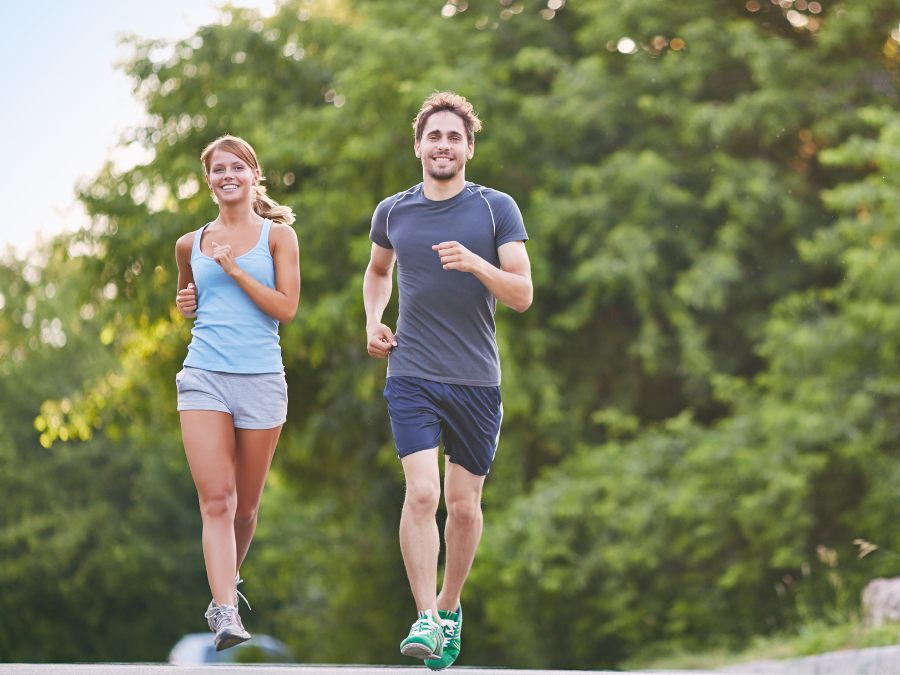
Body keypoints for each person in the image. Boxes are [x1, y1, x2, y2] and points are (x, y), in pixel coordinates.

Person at [363, 92, 533, 669]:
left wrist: (477, 263)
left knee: (463, 507)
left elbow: (522, 294)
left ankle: (450, 605)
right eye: (433, 136)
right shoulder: (393, 211)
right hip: (411, 372)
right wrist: (373, 319)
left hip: (477, 381)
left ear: (468, 147)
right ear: (418, 146)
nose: (443, 145)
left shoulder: (495, 210)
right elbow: (378, 271)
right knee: (423, 494)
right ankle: (426, 618)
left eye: (453, 137)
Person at [174, 135, 300, 651]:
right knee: (218, 501)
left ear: (254, 174)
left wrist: (233, 269)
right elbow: (187, 296)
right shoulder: (190, 243)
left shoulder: (279, 238)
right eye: (218, 169)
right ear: (209, 181)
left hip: (262, 380)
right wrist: (186, 301)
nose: (228, 175)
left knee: (246, 508)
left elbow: (285, 308)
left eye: (237, 167)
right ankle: (224, 609)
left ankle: (226, 586)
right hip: (203, 374)